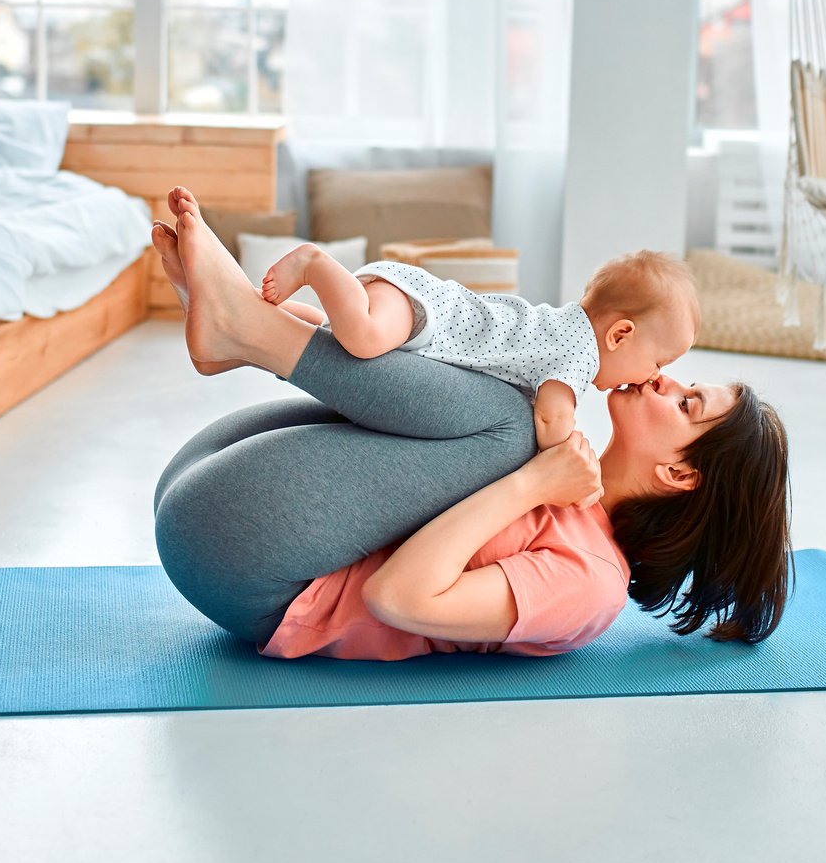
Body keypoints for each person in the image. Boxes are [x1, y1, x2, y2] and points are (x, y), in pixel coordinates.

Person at [150, 186, 791, 661]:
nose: (663, 379)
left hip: (252, 570)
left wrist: (532, 484)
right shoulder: (567, 465)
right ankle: (242, 330)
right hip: (211, 479)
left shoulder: (590, 580)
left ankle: (247, 329)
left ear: (680, 473)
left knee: (513, 427)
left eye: (687, 403)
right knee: (510, 398)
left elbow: (397, 598)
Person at [259, 239, 698, 453]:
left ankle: (262, 321)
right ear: (619, 335)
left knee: (329, 339)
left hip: (421, 312)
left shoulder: (566, 332)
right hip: (424, 312)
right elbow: (552, 415)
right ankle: (315, 264)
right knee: (363, 337)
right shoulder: (579, 353)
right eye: (658, 360)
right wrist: (566, 451)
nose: (657, 375)